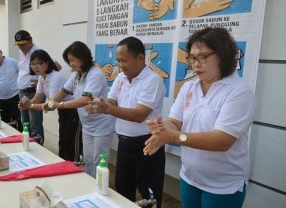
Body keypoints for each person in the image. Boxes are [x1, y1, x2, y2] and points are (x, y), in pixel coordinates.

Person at [143, 27, 256, 208]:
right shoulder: (189, 87)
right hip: (190, 177)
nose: (195, 64)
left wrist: (174, 137)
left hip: (223, 185)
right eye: (192, 58)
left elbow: (222, 141)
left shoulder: (239, 91)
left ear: (223, 55)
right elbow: (175, 122)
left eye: (202, 57)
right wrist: (162, 129)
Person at [86, 36, 166, 207]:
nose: (120, 66)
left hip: (147, 146)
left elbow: (139, 115)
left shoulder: (153, 80)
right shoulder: (121, 77)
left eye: (124, 61)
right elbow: (112, 101)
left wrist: (106, 108)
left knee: (149, 194)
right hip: (124, 144)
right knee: (122, 190)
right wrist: (99, 105)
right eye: (118, 61)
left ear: (140, 58)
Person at [47, 41, 114, 177]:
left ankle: (99, 190)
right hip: (87, 125)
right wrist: (52, 100)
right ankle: (90, 186)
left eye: (72, 60)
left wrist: (60, 105)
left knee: (99, 162)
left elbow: (86, 99)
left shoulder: (95, 74)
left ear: (82, 58)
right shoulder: (76, 75)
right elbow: (63, 91)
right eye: (69, 61)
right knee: (88, 160)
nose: (70, 64)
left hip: (101, 125)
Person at [18, 49, 82, 161]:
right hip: (63, 110)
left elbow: (51, 106)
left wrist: (30, 106)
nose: (35, 66)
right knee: (62, 140)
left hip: (74, 111)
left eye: (39, 63)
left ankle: (74, 167)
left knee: (70, 142)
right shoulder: (41, 77)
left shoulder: (55, 77)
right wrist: (26, 103)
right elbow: (37, 98)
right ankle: (64, 166)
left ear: (47, 63)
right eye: (33, 63)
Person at [14, 30, 62, 144]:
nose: (21, 47)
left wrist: (40, 79)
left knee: (35, 124)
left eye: (23, 44)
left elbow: (57, 67)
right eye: (19, 45)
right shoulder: (22, 52)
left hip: (33, 92)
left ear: (30, 41)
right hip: (22, 91)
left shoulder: (38, 52)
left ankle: (38, 148)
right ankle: (28, 146)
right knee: (25, 123)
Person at [0, 46, 22, 131]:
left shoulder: (13, 62)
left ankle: (18, 137)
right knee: (4, 122)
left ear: (1, 52)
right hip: (1, 99)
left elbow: (21, 75)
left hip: (14, 96)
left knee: (16, 120)